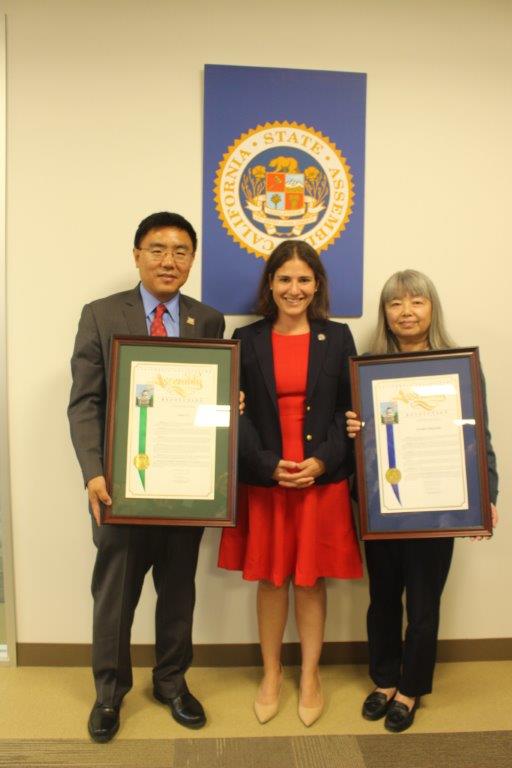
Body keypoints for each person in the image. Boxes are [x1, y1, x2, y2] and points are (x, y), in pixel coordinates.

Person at [68, 211, 225, 742]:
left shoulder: (208, 320)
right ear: (136, 254)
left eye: (181, 251)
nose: (169, 260)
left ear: (192, 260)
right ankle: (109, 694)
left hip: (186, 491)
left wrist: (231, 405)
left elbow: (206, 405)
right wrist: (92, 472)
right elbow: (85, 403)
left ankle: (171, 683)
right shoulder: (101, 315)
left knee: (178, 593)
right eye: (157, 249)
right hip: (120, 489)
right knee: (115, 597)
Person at [346, 269, 499, 733]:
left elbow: (478, 436)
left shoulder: (458, 366)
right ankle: (384, 679)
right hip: (384, 505)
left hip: (439, 506)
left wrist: (485, 494)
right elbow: (358, 442)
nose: (406, 312)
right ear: (385, 314)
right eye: (396, 304)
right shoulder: (367, 368)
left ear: (431, 308)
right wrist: (354, 428)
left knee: (425, 602)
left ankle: (411, 689)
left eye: (416, 301)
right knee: (382, 598)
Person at [218, 240, 362, 727]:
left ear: (316, 285)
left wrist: (321, 462)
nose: (294, 289)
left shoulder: (338, 338)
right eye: (284, 279)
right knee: (272, 578)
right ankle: (272, 673)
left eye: (303, 279)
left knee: (312, 579)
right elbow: (235, 415)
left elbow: (350, 414)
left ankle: (312, 675)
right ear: (270, 285)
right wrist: (265, 464)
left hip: (319, 479)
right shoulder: (245, 338)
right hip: (267, 477)